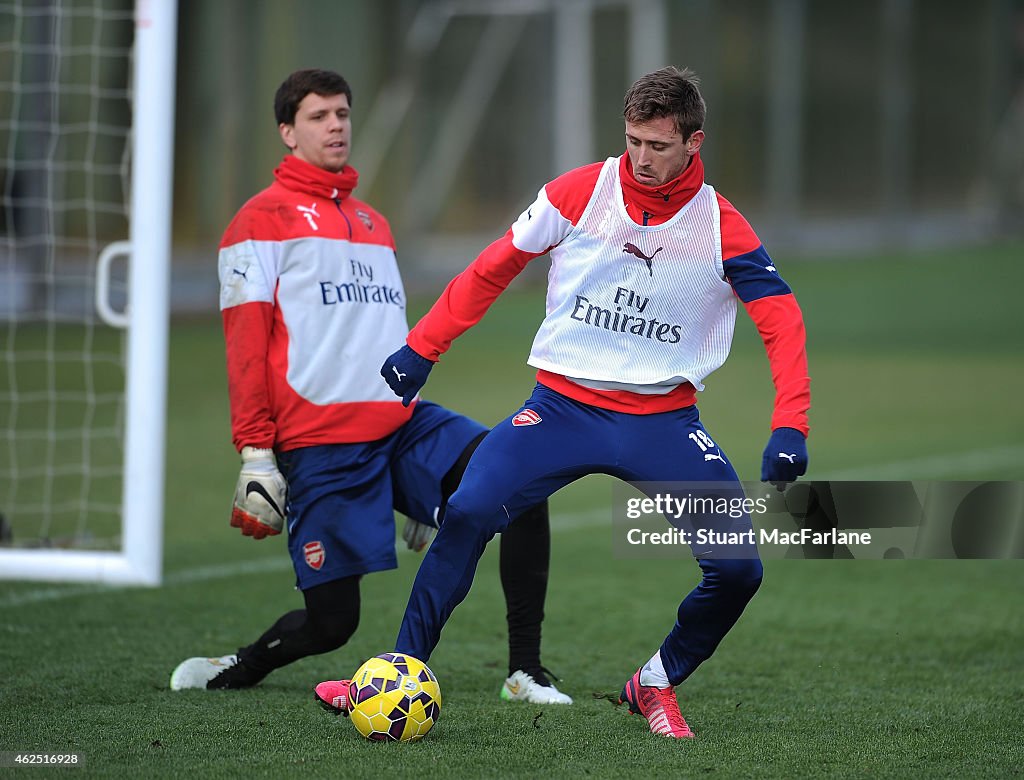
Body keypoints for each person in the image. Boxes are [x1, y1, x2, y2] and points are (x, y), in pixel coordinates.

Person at [366, 66, 810, 738]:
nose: (640, 157)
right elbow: (493, 268)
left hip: (662, 422)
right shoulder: (580, 191)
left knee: (739, 569)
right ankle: (398, 672)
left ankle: (655, 683)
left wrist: (790, 425)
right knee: (469, 510)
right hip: (559, 410)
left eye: (658, 145)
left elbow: (783, 322)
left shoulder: (723, 227)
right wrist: (423, 348)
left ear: (695, 142)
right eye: (632, 139)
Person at [168, 68, 571, 706]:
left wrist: (414, 488)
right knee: (333, 624)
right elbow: (245, 346)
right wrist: (255, 452)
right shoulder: (258, 222)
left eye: (343, 114)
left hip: (403, 427)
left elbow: (383, 334)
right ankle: (239, 665)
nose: (336, 125)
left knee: (520, 482)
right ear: (287, 131)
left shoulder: (373, 223)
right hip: (320, 444)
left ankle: (525, 671)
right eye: (319, 116)